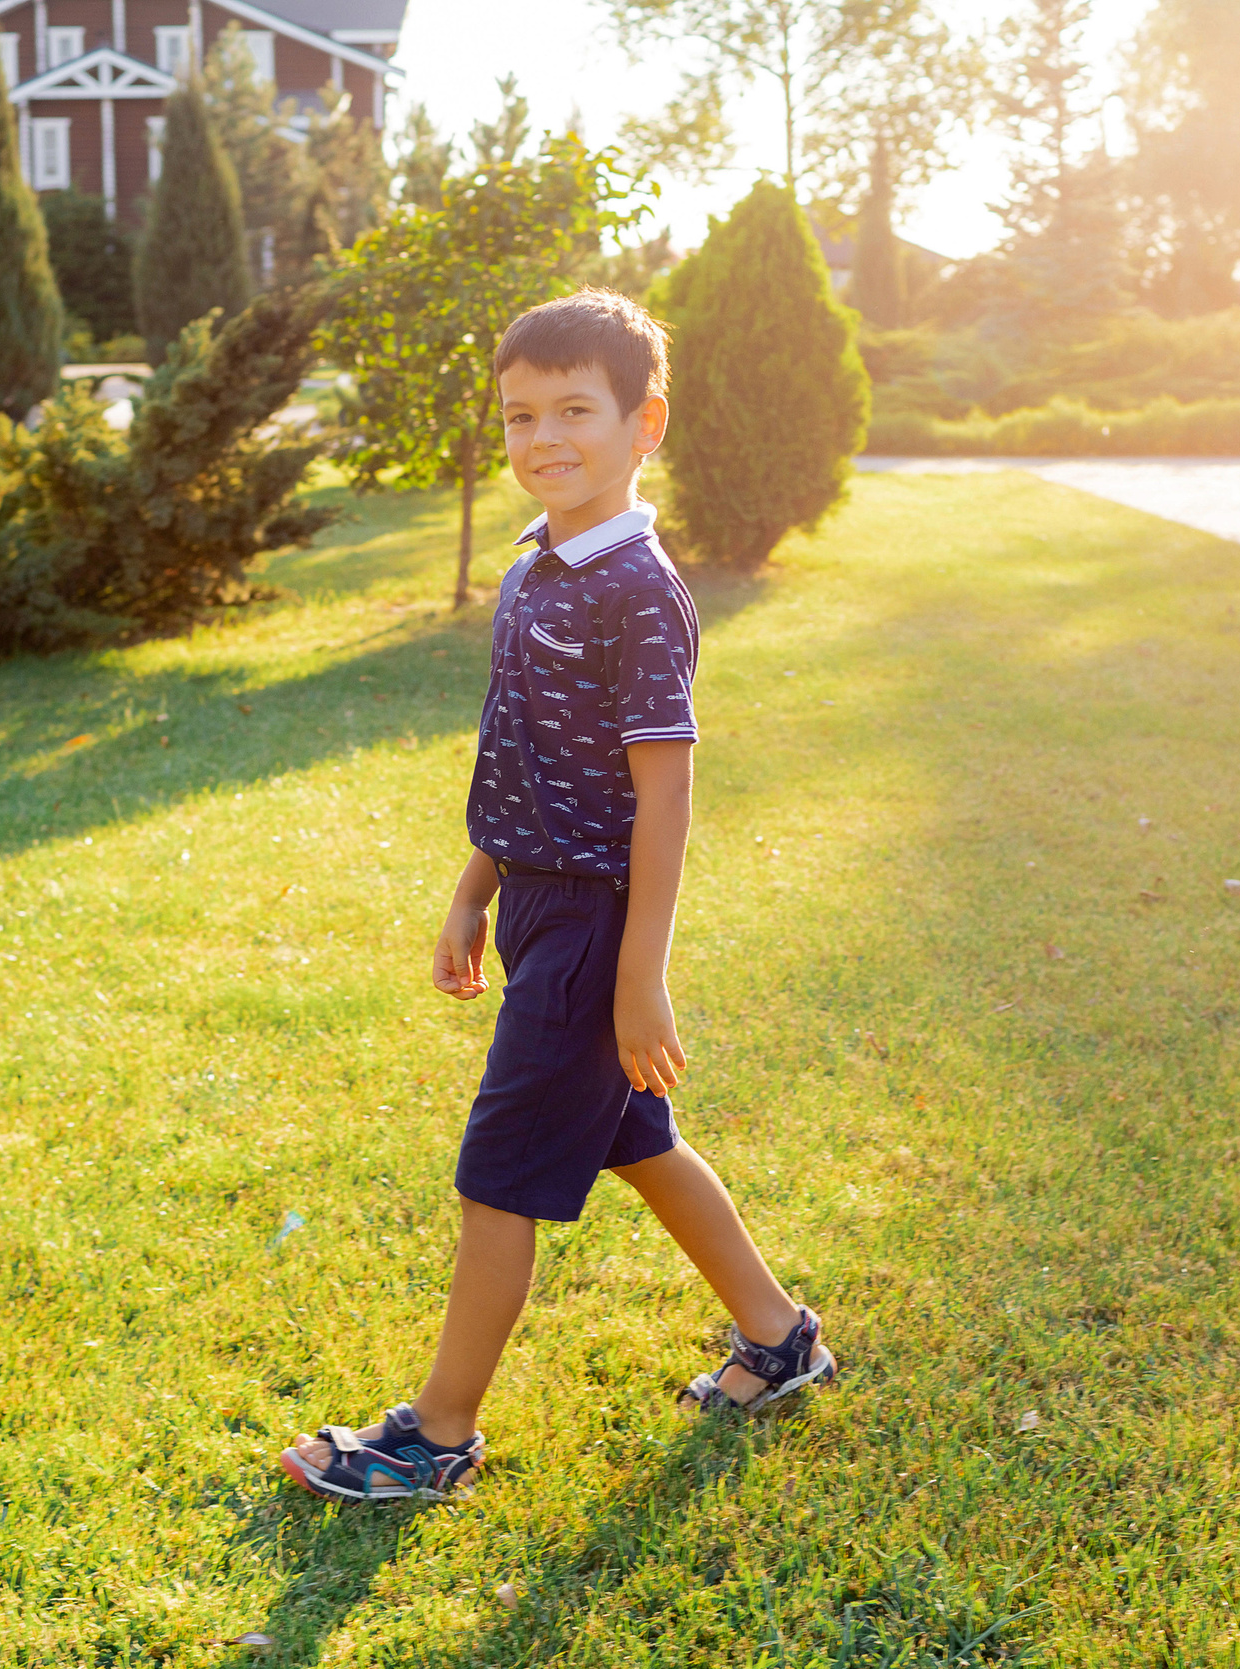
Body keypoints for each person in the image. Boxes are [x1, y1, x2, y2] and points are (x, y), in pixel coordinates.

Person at [279, 288, 836, 1501]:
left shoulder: (637, 587)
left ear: (645, 425)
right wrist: (472, 889)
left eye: (575, 410)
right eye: (521, 414)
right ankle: (779, 1336)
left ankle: (436, 1434)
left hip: (595, 923)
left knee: (499, 1178)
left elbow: (667, 797)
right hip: (537, 901)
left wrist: (638, 979)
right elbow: (518, 748)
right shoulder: (537, 560)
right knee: (637, 1140)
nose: (543, 439)